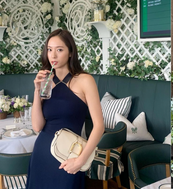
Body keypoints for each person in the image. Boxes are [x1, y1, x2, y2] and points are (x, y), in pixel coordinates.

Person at [26, 29, 104, 189]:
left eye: (59, 49)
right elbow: (37, 126)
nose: (53, 55)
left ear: (70, 52)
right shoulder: (46, 81)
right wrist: (36, 90)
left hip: (69, 155)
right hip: (41, 154)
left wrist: (81, 160)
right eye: (49, 49)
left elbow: (99, 126)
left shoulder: (85, 80)